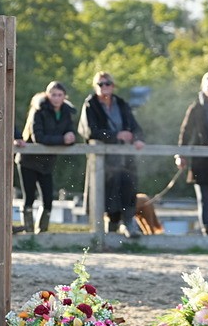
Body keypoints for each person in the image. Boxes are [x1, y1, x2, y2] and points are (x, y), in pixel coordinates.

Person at [78, 70, 146, 238]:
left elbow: (135, 126)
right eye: (100, 84)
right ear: (95, 87)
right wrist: (115, 135)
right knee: (106, 196)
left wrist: (137, 138)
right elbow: (90, 131)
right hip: (103, 160)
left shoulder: (121, 104)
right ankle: (104, 236)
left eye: (107, 83)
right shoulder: (90, 105)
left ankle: (127, 226)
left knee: (128, 189)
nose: (104, 87)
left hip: (124, 157)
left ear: (113, 86)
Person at [19, 81, 78, 233]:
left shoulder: (66, 112)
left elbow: (70, 133)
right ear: (47, 95)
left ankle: (42, 231)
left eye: (59, 95)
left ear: (64, 96)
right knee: (29, 198)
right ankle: (28, 231)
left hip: (47, 162)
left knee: (48, 200)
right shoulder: (38, 110)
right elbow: (38, 137)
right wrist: (62, 139)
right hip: (29, 161)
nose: (56, 98)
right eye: (53, 94)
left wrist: (71, 138)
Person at [176, 71, 208, 236]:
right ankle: (207, 230)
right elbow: (186, 132)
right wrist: (180, 154)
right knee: (204, 197)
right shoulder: (196, 107)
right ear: (203, 87)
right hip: (202, 157)